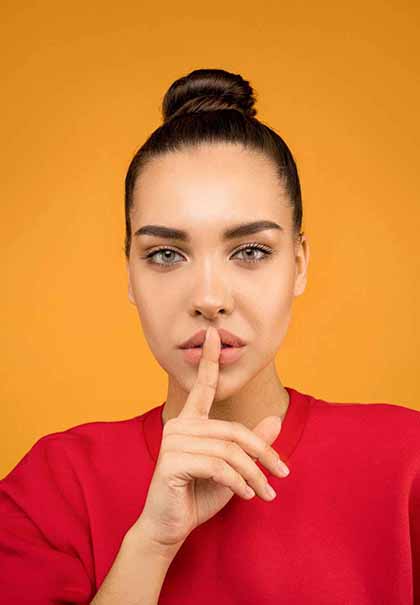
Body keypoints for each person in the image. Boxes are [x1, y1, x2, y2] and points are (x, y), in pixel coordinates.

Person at [0, 68, 419, 604]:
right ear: (130, 275)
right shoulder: (54, 488)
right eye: (166, 254)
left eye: (250, 251)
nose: (209, 296)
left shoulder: (407, 462)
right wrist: (150, 544)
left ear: (297, 264)